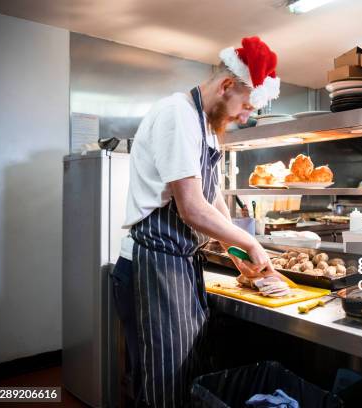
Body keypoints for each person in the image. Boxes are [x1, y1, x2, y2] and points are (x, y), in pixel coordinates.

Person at [111, 36, 283, 407]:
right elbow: (190, 206)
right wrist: (251, 243)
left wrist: (237, 250)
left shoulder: (208, 127)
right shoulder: (178, 114)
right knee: (163, 383)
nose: (244, 117)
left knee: (183, 375)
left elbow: (212, 200)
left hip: (177, 264)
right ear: (225, 86)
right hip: (151, 264)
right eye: (245, 107)